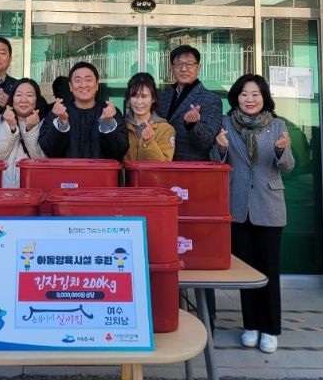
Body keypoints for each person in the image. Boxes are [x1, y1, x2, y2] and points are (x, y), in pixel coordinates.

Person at [212, 74, 294, 354]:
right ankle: (251, 325)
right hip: (238, 207)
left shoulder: (278, 125)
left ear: (264, 98)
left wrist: (281, 151)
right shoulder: (226, 124)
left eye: (255, 94)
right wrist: (221, 148)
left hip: (269, 206)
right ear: (236, 97)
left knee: (269, 270)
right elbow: (216, 162)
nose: (250, 99)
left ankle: (270, 329)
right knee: (246, 272)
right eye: (244, 94)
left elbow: (288, 166)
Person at [158, 44, 223, 328]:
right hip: (162, 178)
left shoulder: (210, 100)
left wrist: (192, 125)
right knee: (165, 245)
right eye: (178, 63)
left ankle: (207, 318)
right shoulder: (162, 96)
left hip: (192, 182)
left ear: (199, 68)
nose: (183, 68)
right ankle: (170, 309)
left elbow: (207, 140)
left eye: (189, 63)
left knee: (194, 247)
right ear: (171, 68)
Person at [38, 61, 129, 160]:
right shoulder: (58, 111)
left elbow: (118, 152)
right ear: (70, 86)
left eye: (88, 80)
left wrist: (107, 123)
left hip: (101, 170)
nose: (83, 85)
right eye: (78, 80)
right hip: (67, 170)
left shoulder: (110, 112)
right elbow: (50, 151)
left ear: (97, 85)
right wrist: (62, 123)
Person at [0, 78, 48, 187]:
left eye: (29, 95)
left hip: (32, 191)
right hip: (3, 191)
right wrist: (10, 127)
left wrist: (30, 129)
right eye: (18, 95)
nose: (23, 100)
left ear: (37, 99)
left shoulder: (45, 124)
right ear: (12, 98)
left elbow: (41, 159)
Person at [122, 72, 175, 162]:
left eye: (144, 96)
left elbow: (164, 165)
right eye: (134, 96)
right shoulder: (122, 126)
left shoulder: (166, 129)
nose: (139, 102)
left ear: (153, 98)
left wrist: (149, 143)